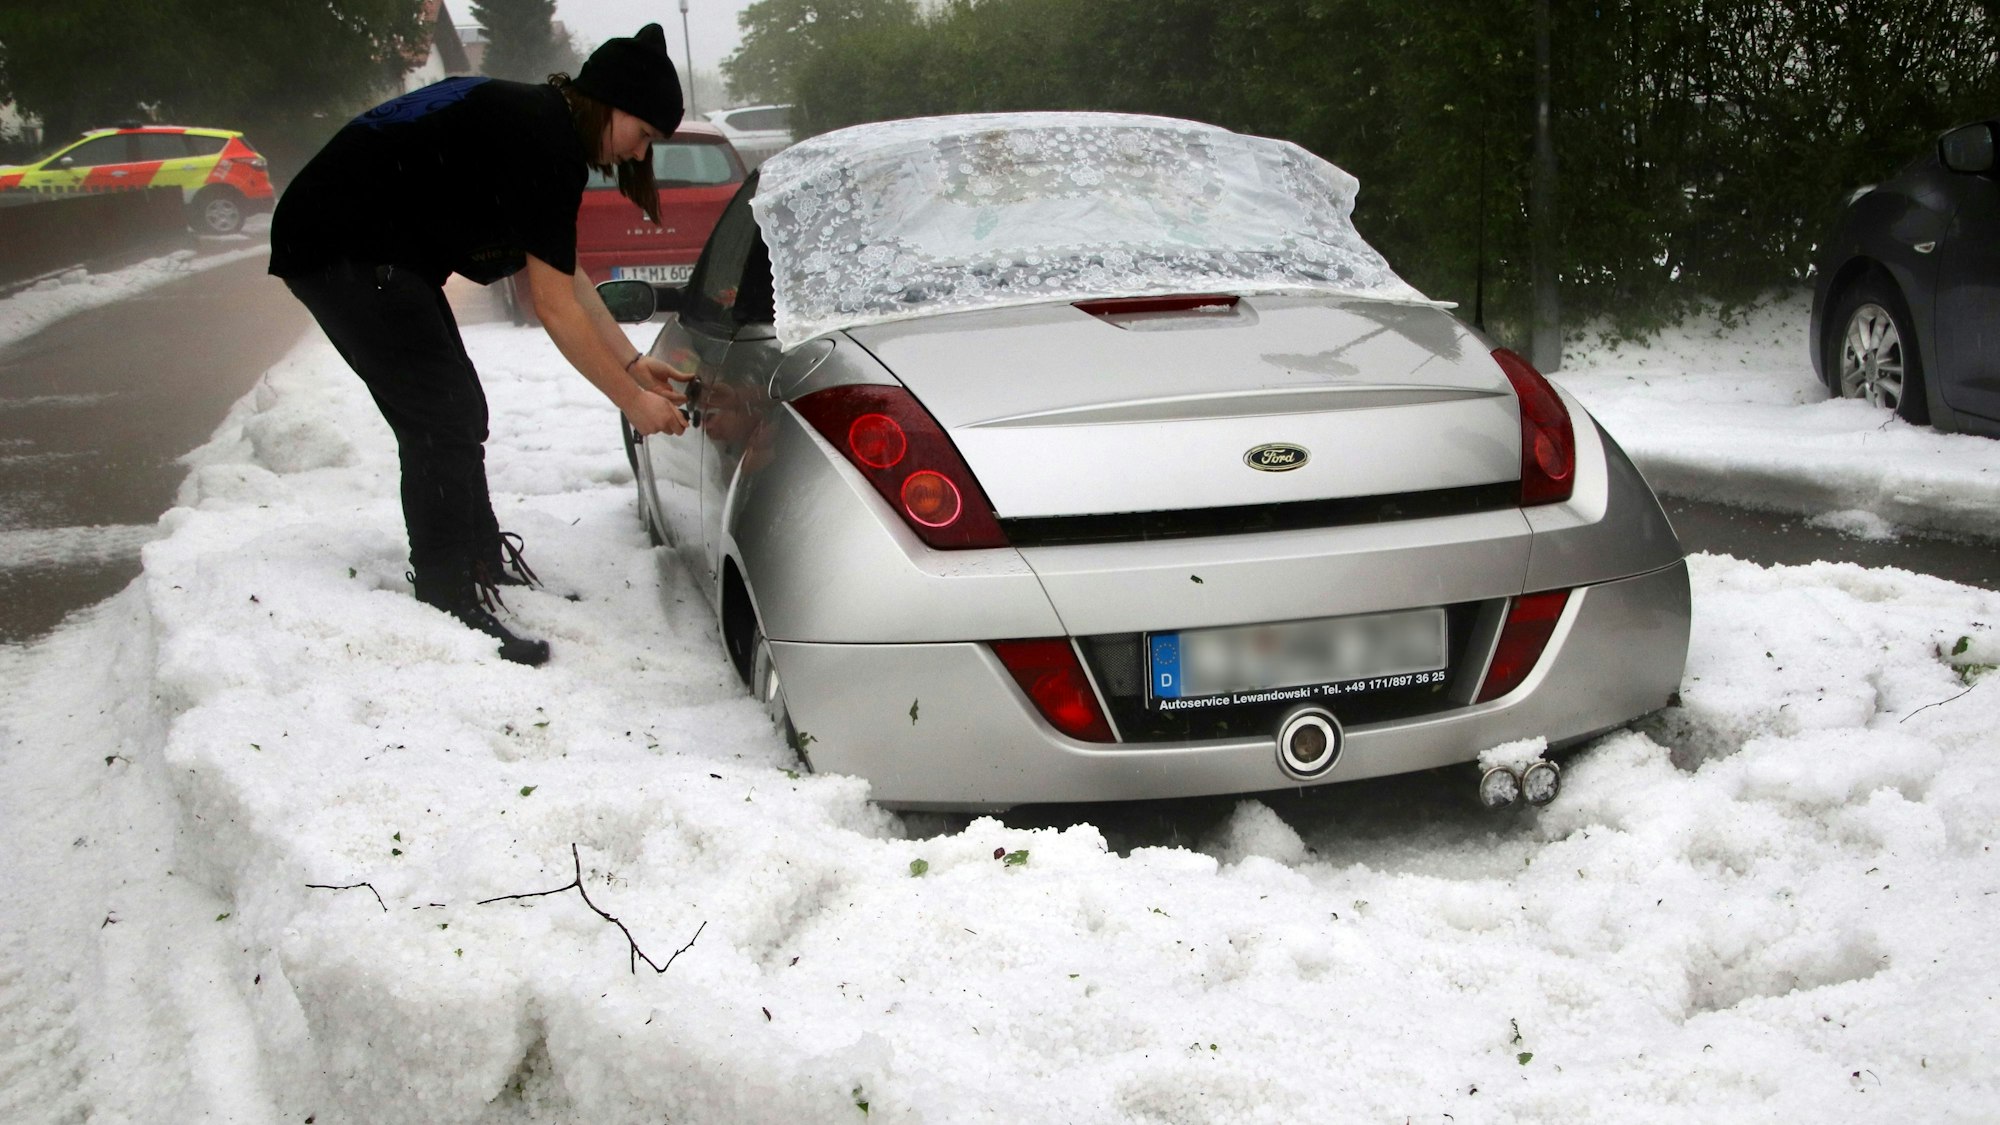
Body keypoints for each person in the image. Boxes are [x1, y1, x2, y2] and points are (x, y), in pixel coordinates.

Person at [269, 25, 692, 666]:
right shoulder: (545, 139)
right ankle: (447, 596)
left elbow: (566, 275)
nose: (638, 154)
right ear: (612, 103)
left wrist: (632, 363)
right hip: (339, 246)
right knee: (439, 418)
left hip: (376, 249)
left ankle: (479, 564)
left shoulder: (541, 121)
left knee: (459, 409)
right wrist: (632, 402)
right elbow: (553, 307)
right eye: (644, 134)